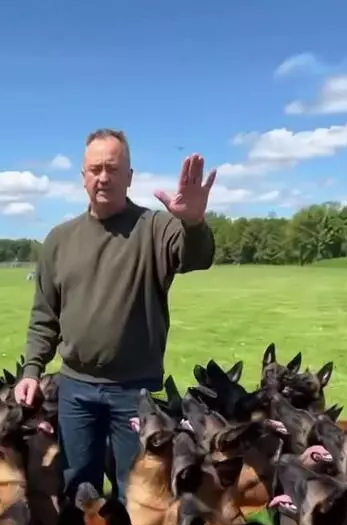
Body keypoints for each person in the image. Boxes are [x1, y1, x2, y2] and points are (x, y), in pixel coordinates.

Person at [14, 128, 217, 502]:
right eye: (95, 169)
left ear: (129, 176)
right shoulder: (59, 240)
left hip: (133, 391)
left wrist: (192, 223)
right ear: (83, 177)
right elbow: (45, 314)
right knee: (78, 487)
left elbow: (197, 257)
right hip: (75, 388)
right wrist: (31, 370)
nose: (103, 176)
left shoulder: (156, 228)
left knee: (135, 490)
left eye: (112, 167)